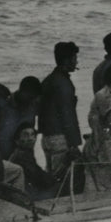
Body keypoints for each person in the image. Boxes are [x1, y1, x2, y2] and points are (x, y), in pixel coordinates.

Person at [39, 42, 83, 181]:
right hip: (60, 138)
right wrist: (74, 143)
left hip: (47, 137)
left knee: (52, 175)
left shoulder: (49, 80)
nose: (76, 60)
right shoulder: (63, 83)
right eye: (74, 57)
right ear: (67, 60)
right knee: (62, 179)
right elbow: (67, 115)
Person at [85, 62, 111, 190]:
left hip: (102, 144)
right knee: (108, 186)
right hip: (103, 147)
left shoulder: (103, 95)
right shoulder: (107, 98)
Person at [0, 76, 42, 161]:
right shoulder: (3, 106)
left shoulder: (33, 105)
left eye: (34, 98)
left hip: (24, 158)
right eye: (30, 97)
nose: (31, 101)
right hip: (1, 159)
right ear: (22, 91)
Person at [8, 124, 59, 199]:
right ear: (17, 141)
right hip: (30, 197)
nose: (31, 138)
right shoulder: (21, 155)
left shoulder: (24, 153)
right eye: (26, 135)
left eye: (33, 135)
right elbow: (38, 177)